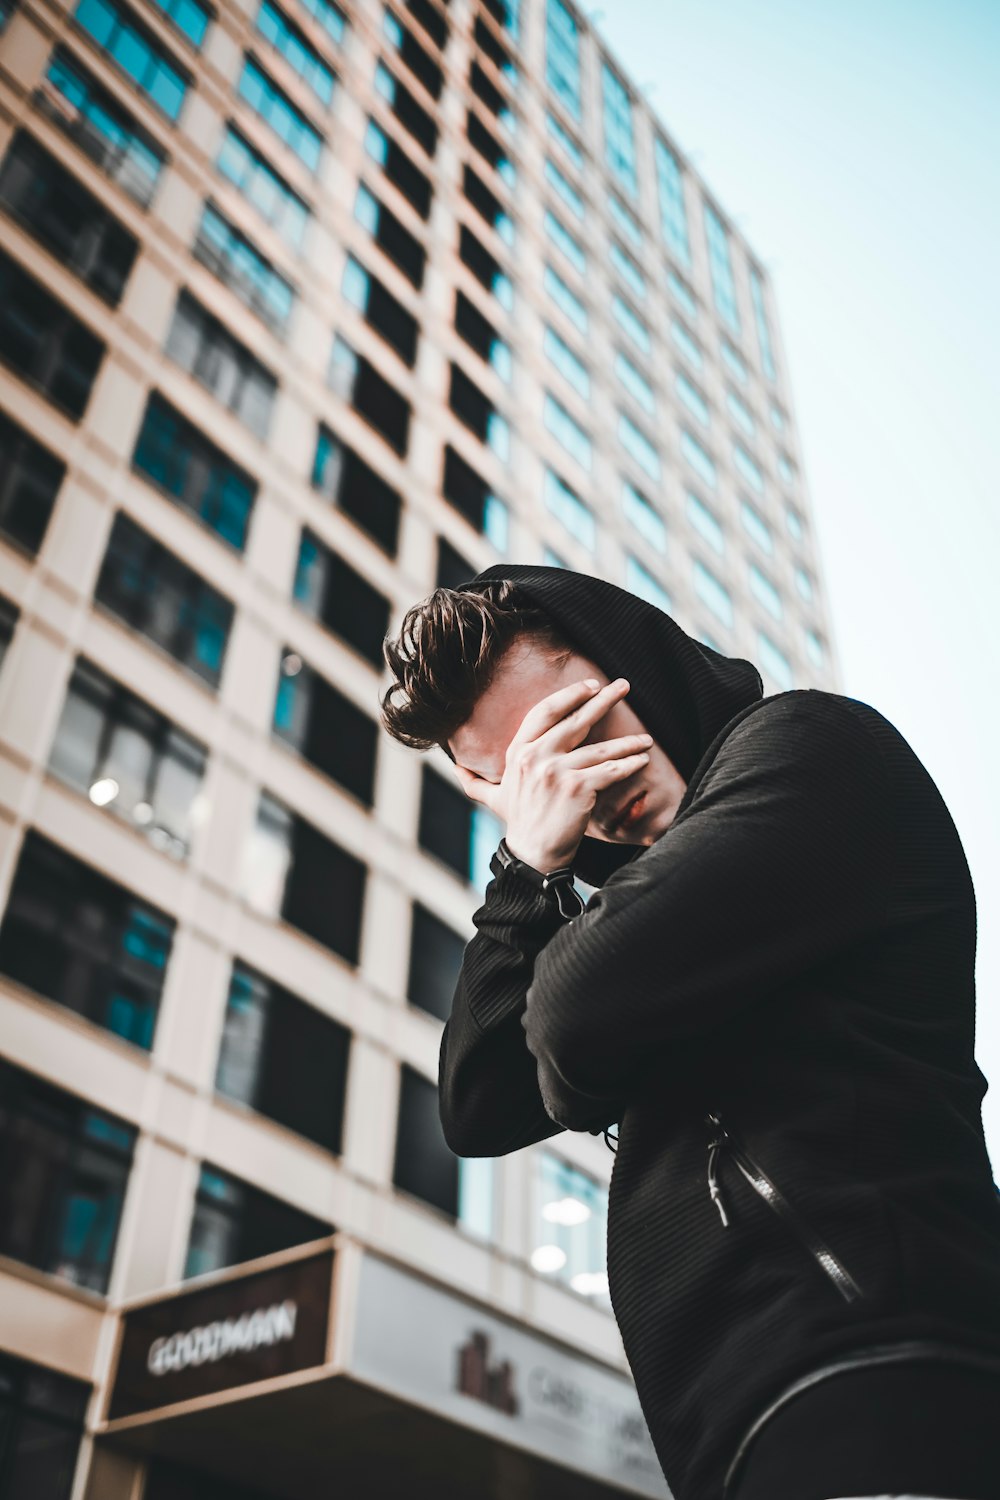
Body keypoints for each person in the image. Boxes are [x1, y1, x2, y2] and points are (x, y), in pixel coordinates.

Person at [379, 563, 1000, 1500]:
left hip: (880, 1376)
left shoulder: (814, 750)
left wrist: (568, 988)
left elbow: (575, 1018)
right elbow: (477, 1104)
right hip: (738, 1439)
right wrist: (521, 867)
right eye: (540, 778)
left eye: (584, 728)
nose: (592, 782)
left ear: (637, 664)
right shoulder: (622, 915)